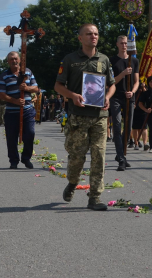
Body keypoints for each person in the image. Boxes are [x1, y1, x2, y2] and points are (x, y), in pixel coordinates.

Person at [55, 23, 115, 211]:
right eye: (89, 34)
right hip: (78, 117)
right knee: (77, 157)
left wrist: (107, 97)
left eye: (96, 33)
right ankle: (72, 183)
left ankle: (95, 197)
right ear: (80, 38)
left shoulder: (104, 59)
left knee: (99, 155)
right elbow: (58, 86)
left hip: (99, 116)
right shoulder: (70, 60)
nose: (93, 37)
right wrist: (73, 96)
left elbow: (112, 84)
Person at [0, 51, 39, 169]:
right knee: (11, 137)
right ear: (8, 62)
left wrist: (27, 88)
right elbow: (1, 94)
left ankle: (26, 158)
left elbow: (36, 88)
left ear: (19, 60)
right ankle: (13, 160)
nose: (14, 61)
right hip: (11, 111)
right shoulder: (4, 75)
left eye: (15, 58)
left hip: (27, 109)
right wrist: (15, 101)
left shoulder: (28, 72)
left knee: (30, 133)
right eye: (11, 59)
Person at [110, 35, 139, 171]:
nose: (124, 45)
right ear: (117, 44)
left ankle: (120, 153)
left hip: (129, 97)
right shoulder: (112, 61)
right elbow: (111, 82)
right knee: (116, 125)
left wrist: (132, 92)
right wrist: (123, 73)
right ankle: (121, 158)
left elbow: (137, 81)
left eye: (126, 43)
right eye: (121, 43)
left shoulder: (134, 61)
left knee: (128, 127)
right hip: (115, 96)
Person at [132, 81, 149, 150]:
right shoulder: (133, 84)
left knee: (144, 127)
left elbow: (147, 94)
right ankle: (136, 143)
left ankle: (145, 143)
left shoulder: (145, 85)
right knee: (135, 128)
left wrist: (143, 87)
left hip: (143, 108)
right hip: (135, 108)